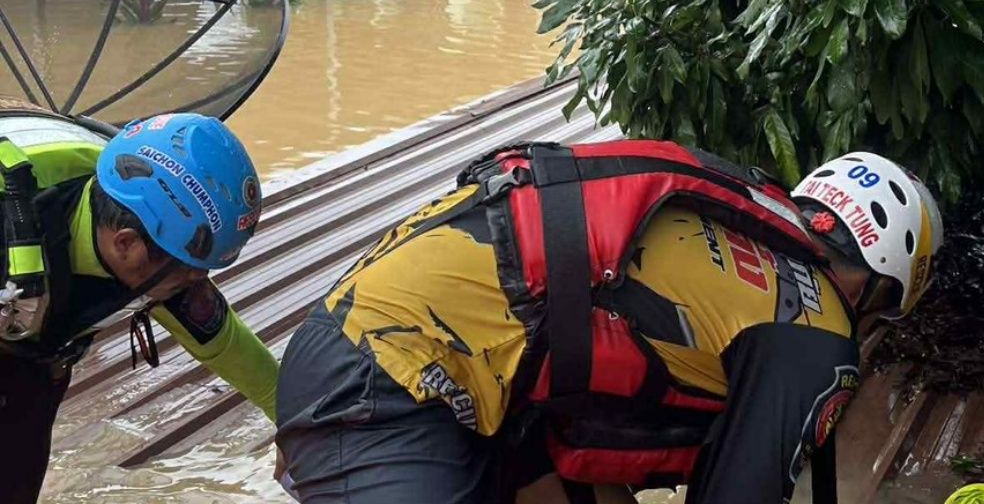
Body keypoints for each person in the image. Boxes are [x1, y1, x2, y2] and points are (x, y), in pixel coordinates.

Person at [275, 140, 943, 504]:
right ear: (882, 286)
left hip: (406, 356)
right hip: (385, 389)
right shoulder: (818, 332)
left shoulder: (745, 223)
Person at [0, 100, 278, 504]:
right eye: (189, 273)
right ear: (127, 246)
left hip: (35, 349)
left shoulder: (138, 213)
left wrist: (302, 427)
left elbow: (227, 346)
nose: (195, 285)